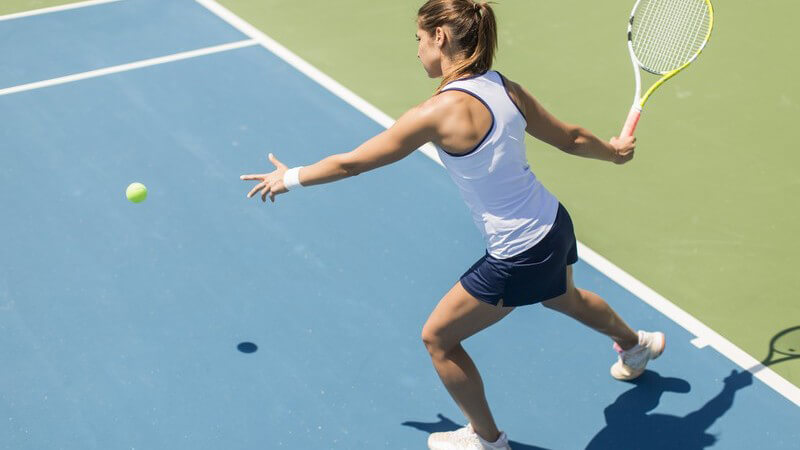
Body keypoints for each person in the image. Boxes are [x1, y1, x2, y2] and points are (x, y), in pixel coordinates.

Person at [240, 1, 665, 448]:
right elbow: (573, 138)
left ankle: (487, 439)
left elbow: (352, 164)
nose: (418, 50)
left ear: (440, 37)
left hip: (517, 251)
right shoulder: (506, 89)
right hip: (551, 224)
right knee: (565, 298)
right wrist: (614, 152)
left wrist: (289, 178)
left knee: (438, 339)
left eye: (419, 40)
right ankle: (636, 344)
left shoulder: (436, 113)